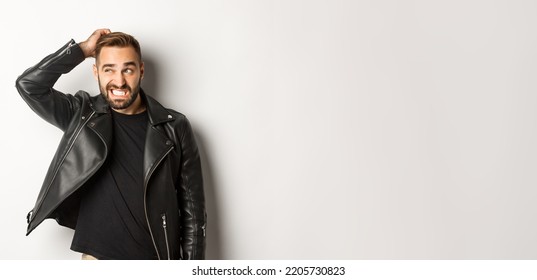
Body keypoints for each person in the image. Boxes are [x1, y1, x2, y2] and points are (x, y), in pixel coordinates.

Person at [15, 29, 206, 260]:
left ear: (141, 71)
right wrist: (82, 50)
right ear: (96, 72)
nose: (119, 80)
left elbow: (193, 215)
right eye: (109, 69)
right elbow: (29, 86)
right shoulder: (82, 115)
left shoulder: (175, 127)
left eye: (128, 69)